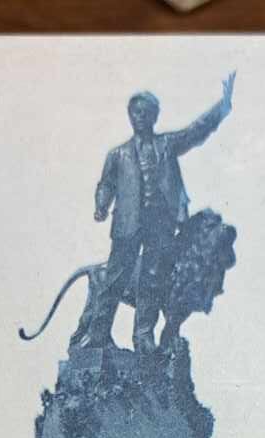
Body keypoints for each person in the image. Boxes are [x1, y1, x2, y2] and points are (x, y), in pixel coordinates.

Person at [78, 73, 235, 353]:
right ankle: (98, 334)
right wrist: (101, 204)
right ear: (130, 115)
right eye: (136, 112)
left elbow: (194, 131)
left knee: (152, 279)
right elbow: (106, 184)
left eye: (146, 112)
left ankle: (143, 336)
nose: (141, 116)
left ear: (154, 116)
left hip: (159, 224)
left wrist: (222, 107)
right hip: (127, 224)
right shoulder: (118, 155)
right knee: (115, 278)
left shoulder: (167, 145)